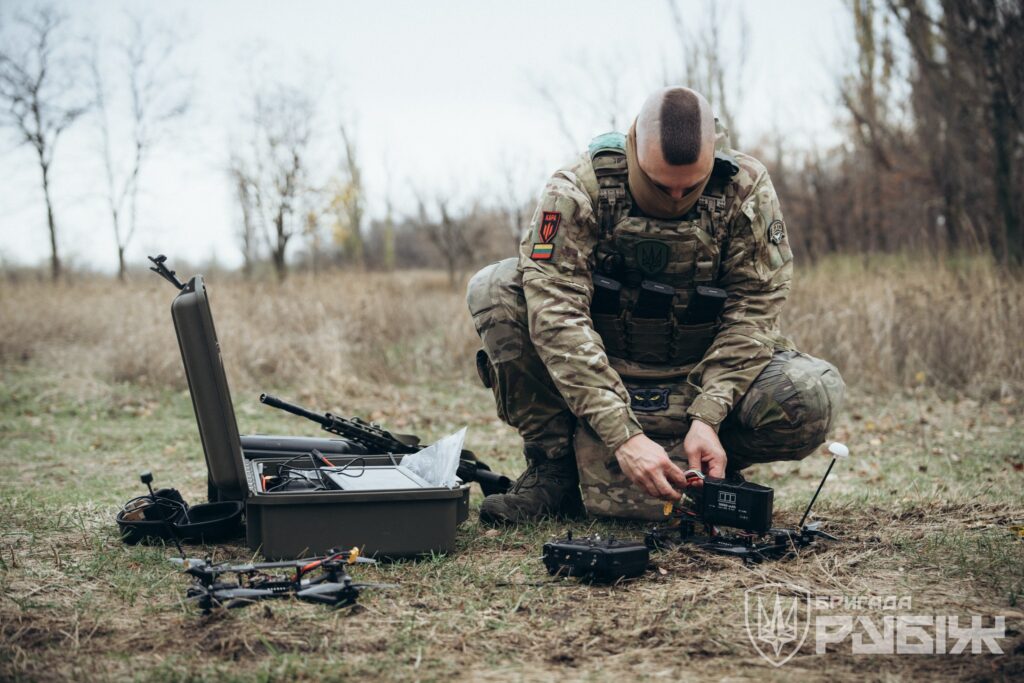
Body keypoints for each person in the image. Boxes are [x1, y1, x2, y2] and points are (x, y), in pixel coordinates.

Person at [466, 86, 845, 525]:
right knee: (496, 287)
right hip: (600, 371)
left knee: (813, 392)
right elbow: (558, 318)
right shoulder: (578, 189)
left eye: (692, 187)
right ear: (633, 150)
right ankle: (555, 470)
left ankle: (715, 466)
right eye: (661, 185)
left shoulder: (745, 187)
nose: (677, 198)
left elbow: (754, 308)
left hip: (697, 373)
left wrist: (708, 416)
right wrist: (622, 435)